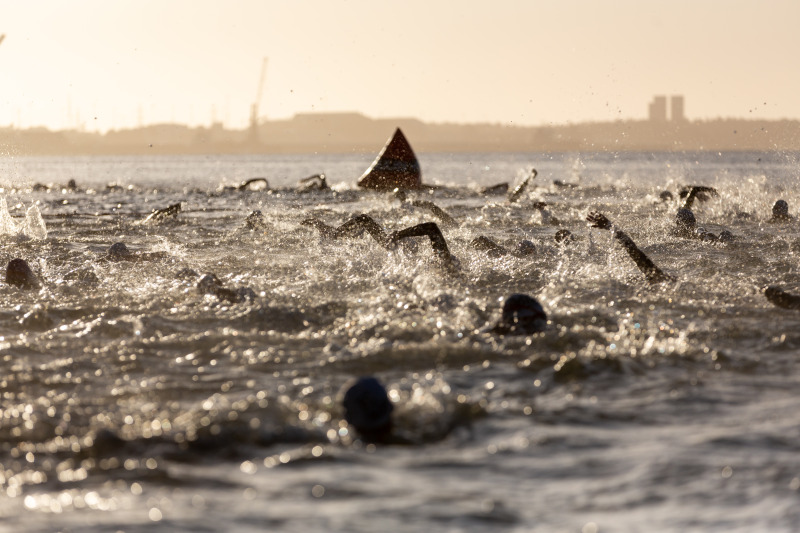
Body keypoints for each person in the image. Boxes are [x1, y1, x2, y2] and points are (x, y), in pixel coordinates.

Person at [586, 211, 674, 283]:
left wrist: (611, 227)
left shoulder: (661, 279)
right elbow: (635, 253)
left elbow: (635, 253)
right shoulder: (666, 281)